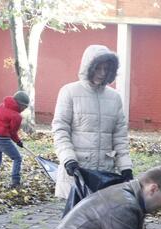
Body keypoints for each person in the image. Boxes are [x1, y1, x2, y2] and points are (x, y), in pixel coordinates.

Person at [52, 44, 132, 200]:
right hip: (77, 171)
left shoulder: (114, 98)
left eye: (106, 69)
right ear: (88, 67)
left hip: (104, 173)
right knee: (74, 222)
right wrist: (68, 159)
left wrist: (125, 167)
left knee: (101, 222)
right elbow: (60, 129)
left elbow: (120, 137)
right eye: (98, 68)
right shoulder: (69, 92)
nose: (102, 73)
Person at [0, 91, 30, 190]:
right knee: (17, 158)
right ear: (19, 104)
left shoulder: (1, 106)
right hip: (2, 139)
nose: (24, 109)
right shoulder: (16, 116)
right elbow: (13, 132)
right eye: (25, 107)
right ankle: (15, 182)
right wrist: (18, 142)